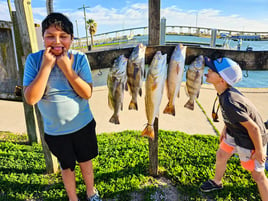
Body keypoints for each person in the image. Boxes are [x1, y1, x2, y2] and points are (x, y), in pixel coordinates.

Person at [23, 13, 101, 201]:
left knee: (86, 162)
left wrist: (67, 68)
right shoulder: (34, 61)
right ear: (43, 38)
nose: (57, 41)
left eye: (63, 36)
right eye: (50, 36)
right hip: (56, 133)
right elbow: (31, 99)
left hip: (82, 126)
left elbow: (87, 93)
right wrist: (46, 67)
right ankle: (72, 197)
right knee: (66, 166)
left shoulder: (79, 58)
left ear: (72, 39)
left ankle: (91, 191)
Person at [200, 57, 268, 200]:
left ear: (221, 80)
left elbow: (254, 129)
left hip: (251, 139)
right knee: (221, 154)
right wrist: (226, 127)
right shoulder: (224, 92)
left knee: (258, 175)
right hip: (234, 131)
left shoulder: (230, 101)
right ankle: (216, 182)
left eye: (212, 70)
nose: (208, 71)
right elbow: (235, 117)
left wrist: (260, 151)